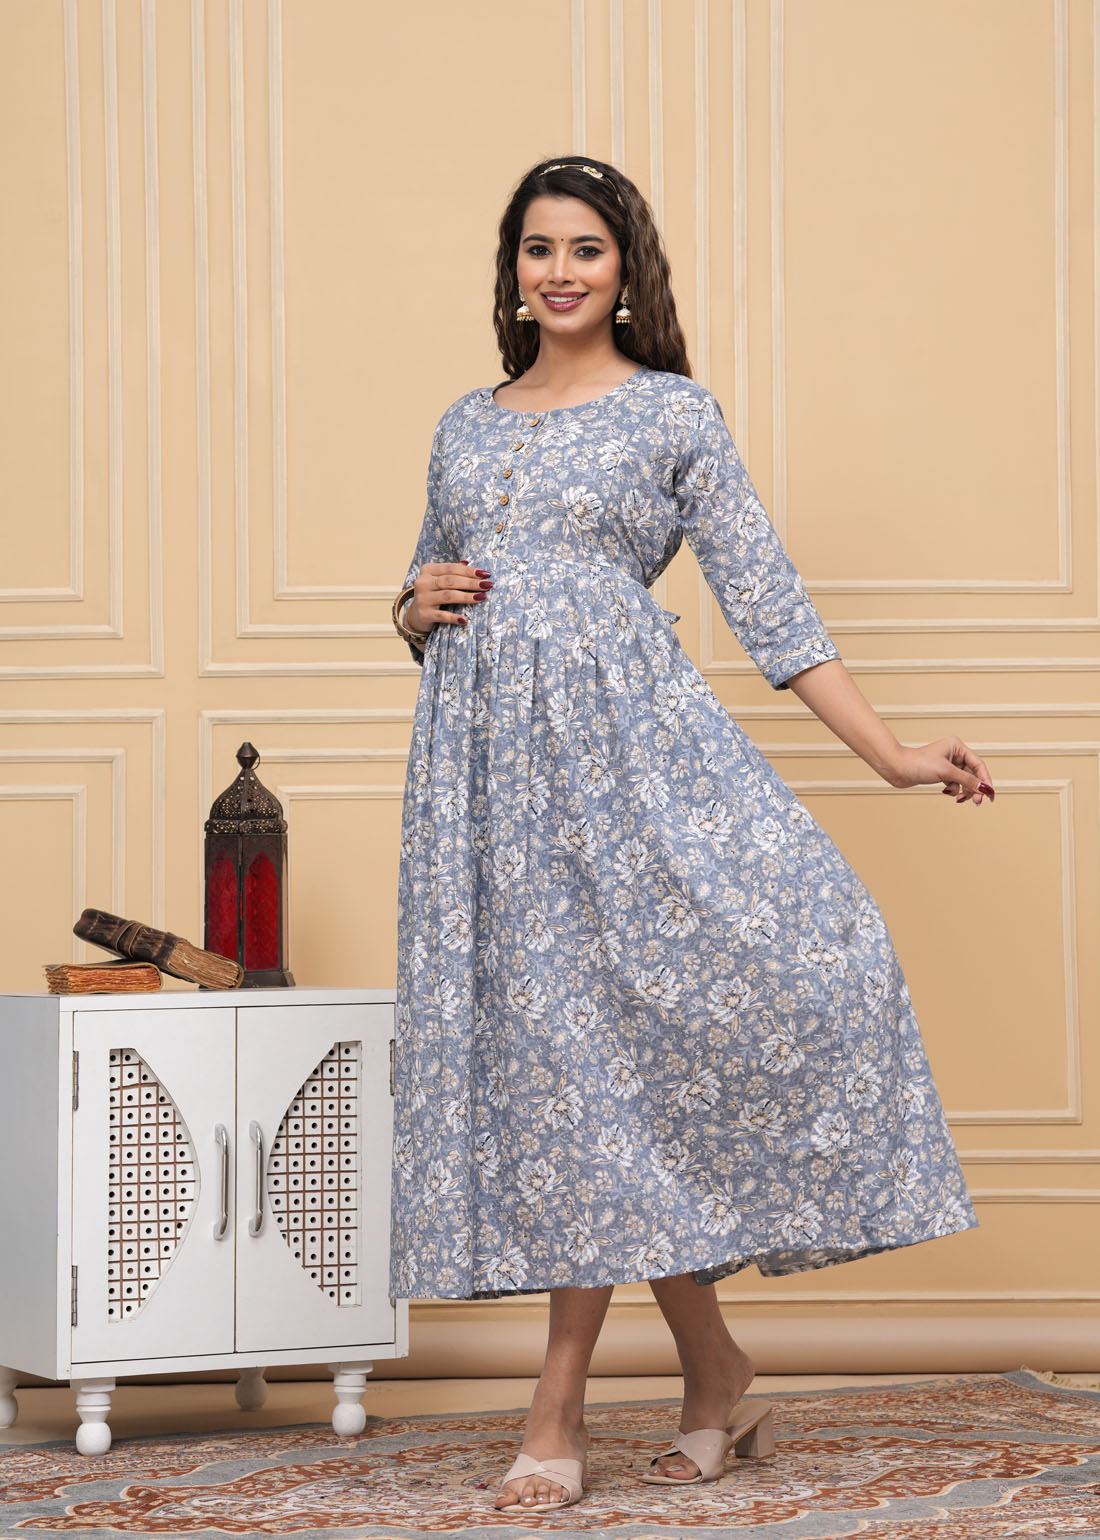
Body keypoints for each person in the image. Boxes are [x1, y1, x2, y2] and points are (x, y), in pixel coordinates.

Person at [388, 156, 994, 1514]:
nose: (559, 271)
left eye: (585, 249)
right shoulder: (464, 425)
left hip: (632, 773)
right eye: (538, 248)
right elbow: (424, 589)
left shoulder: (672, 412)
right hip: (490, 795)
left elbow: (767, 599)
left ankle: (557, 1408)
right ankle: (714, 1370)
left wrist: (892, 755)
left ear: (625, 272)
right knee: (584, 1075)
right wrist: (413, 607)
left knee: (623, 1059)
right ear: (513, 271)